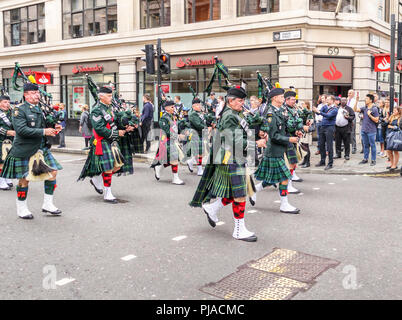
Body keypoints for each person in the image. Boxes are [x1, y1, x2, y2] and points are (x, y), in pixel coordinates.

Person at [190, 86, 267, 242]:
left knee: (236, 192)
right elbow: (234, 140)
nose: (242, 103)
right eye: (240, 100)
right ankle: (239, 230)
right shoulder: (229, 116)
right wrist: (256, 143)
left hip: (234, 156)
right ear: (230, 101)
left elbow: (250, 122)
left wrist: (258, 117)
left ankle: (212, 208)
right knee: (240, 195)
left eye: (243, 100)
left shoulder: (236, 113)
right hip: (230, 157)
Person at [1, 83, 63, 219]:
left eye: (37, 93)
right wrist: (43, 131)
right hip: (25, 148)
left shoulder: (39, 109)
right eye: (33, 93)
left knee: (53, 172)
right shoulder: (19, 110)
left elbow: (44, 125)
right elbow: (21, 130)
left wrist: (53, 127)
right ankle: (21, 208)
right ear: (26, 95)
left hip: (41, 148)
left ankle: (48, 204)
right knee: (24, 179)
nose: (37, 95)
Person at [252, 88, 300, 214]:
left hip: (279, 149)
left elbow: (285, 127)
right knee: (284, 177)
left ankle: (254, 189)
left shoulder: (280, 110)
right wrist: (289, 139)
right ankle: (284, 204)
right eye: (281, 96)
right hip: (273, 150)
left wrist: (296, 130)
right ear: (274, 98)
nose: (283, 98)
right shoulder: (270, 114)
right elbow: (273, 136)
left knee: (271, 180)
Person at [78, 86, 128, 204]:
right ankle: (108, 193)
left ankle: (96, 179)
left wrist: (125, 126)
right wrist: (116, 133)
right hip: (102, 140)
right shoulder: (96, 110)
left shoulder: (109, 108)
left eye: (111, 95)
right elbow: (99, 128)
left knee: (118, 165)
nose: (111, 98)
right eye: (109, 96)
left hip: (111, 140)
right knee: (109, 167)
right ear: (101, 96)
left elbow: (112, 122)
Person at [151, 100, 186, 185]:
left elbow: (175, 127)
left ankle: (159, 167)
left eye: (174, 106)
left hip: (173, 140)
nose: (174, 108)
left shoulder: (172, 116)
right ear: (166, 108)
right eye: (172, 107)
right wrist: (177, 136)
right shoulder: (164, 118)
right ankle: (175, 178)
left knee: (173, 158)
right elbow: (167, 131)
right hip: (166, 141)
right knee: (174, 158)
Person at [283, 90, 309, 190]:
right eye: (293, 99)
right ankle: (288, 185)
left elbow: (298, 121)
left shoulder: (293, 109)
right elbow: (288, 125)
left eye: (295, 99)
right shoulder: (284, 110)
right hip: (287, 139)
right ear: (287, 100)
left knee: (292, 163)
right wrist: (300, 128)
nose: (295, 101)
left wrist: (299, 130)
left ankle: (289, 184)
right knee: (289, 163)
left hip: (293, 139)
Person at [354, 94, 379, 166]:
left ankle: (373, 160)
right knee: (365, 145)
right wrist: (356, 101)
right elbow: (355, 109)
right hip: (364, 130)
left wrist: (370, 115)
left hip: (371, 131)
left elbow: (377, 120)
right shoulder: (365, 108)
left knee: (372, 145)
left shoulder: (374, 108)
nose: (365, 100)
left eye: (366, 99)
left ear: (371, 100)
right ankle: (365, 159)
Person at [313, 95, 338, 170]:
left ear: (333, 101)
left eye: (329, 99)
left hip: (330, 127)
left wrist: (319, 112)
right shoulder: (325, 106)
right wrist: (316, 110)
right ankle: (322, 161)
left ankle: (330, 163)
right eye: (327, 99)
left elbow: (328, 116)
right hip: (322, 126)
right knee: (321, 144)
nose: (327, 100)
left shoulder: (335, 109)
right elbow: (318, 113)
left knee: (329, 145)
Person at [186, 98, 208, 176]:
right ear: (193, 106)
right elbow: (198, 125)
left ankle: (191, 162)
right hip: (195, 134)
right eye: (198, 105)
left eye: (200, 104)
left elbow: (205, 121)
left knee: (200, 152)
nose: (200, 106)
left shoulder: (200, 113)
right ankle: (199, 169)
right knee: (199, 152)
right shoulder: (193, 114)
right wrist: (206, 128)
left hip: (200, 134)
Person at [0, 95, 16, 190]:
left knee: (8, 160)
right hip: (1, 140)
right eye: (5, 102)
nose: (7, 104)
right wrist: (6, 132)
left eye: (8, 102)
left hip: (10, 140)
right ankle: (1, 179)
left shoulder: (11, 112)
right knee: (1, 160)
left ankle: (6, 177)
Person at [385, 106, 402, 171]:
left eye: (395, 110)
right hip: (390, 135)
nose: (393, 112)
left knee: (395, 150)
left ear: (398, 111)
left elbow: (400, 128)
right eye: (393, 110)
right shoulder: (391, 117)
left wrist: (392, 127)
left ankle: (395, 165)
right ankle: (392, 164)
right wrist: (387, 118)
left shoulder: (400, 118)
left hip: (396, 135)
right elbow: (385, 124)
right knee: (389, 150)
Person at [299, 101, 315, 168]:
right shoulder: (303, 112)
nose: (302, 105)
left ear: (306, 105)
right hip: (302, 131)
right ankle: (304, 160)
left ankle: (307, 162)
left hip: (306, 131)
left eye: (303, 104)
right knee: (303, 146)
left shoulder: (309, 112)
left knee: (306, 147)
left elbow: (309, 122)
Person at [347, 90, 359, 154]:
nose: (348, 94)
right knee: (345, 133)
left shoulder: (355, 101)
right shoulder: (346, 100)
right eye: (348, 93)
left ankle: (354, 148)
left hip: (352, 118)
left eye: (350, 93)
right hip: (346, 118)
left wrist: (356, 101)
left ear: (353, 94)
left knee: (352, 133)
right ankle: (344, 146)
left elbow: (355, 109)